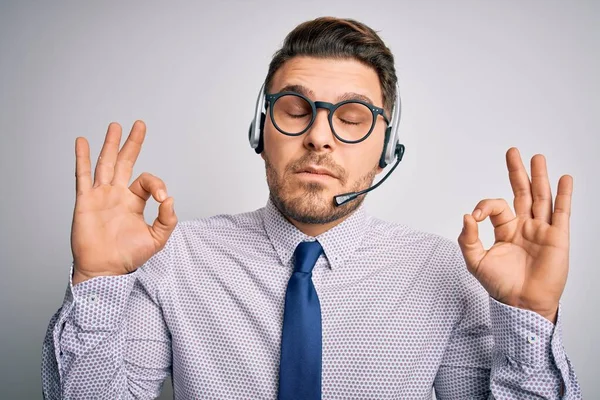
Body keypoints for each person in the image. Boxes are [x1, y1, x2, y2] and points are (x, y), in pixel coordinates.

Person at [41, 16, 582, 399]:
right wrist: (98, 279)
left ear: (386, 147)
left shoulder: (445, 273)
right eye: (295, 109)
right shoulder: (174, 260)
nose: (319, 137)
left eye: (351, 118)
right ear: (262, 131)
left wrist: (528, 321)